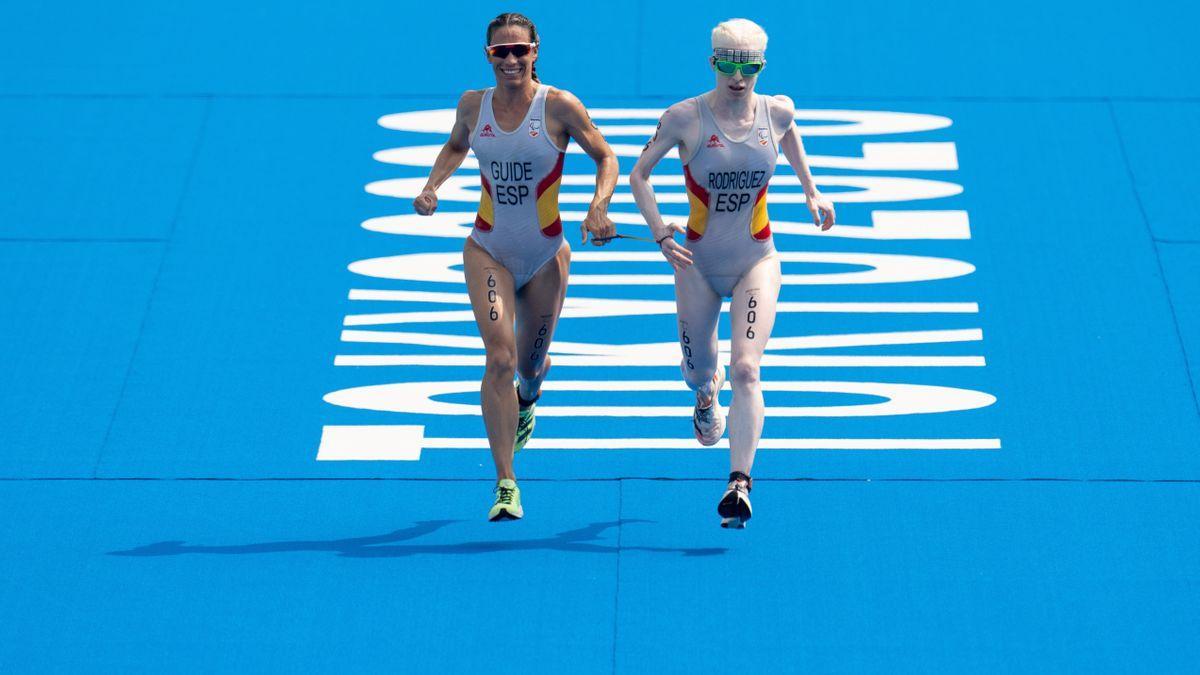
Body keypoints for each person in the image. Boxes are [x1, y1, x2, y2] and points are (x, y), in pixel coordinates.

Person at [629, 18, 835, 528]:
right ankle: (704, 393)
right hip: (697, 264)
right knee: (702, 370)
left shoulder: (778, 111)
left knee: (747, 367)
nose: (738, 76)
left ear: (762, 66)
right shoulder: (684, 118)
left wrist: (811, 190)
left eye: (749, 66)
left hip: (755, 260)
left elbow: (789, 140)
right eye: (727, 64)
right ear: (712, 63)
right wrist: (660, 234)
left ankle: (739, 484)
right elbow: (638, 174)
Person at [413, 12, 618, 521]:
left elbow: (606, 156)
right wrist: (432, 185)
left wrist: (600, 205)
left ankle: (530, 395)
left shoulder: (558, 106)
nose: (510, 60)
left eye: (519, 50)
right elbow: (457, 145)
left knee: (527, 366)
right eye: (499, 53)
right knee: (500, 358)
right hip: (489, 250)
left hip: (547, 256)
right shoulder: (471, 105)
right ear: (487, 56)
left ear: (535, 51)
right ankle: (506, 482)